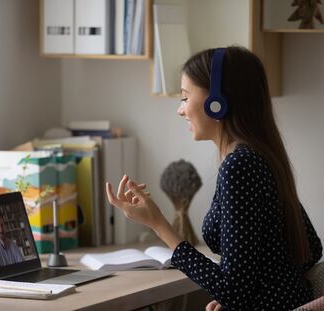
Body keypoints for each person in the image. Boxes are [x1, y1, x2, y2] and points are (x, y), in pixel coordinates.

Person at [106, 46, 323, 311]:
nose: (180, 110)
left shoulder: (239, 166)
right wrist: (245, 294)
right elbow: (310, 249)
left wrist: (157, 224)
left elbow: (234, 289)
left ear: (217, 102)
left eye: (185, 97)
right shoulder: (261, 155)